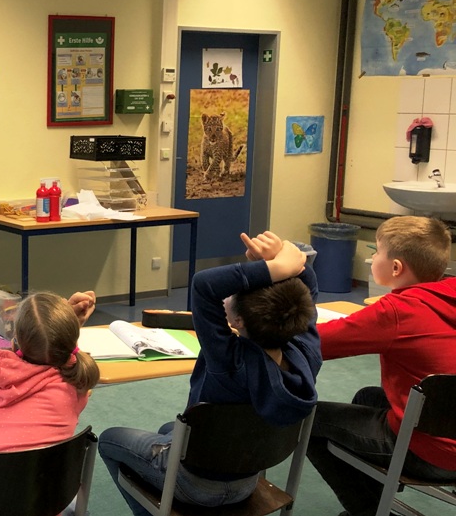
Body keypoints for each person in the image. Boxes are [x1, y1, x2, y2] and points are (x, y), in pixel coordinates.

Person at [98, 232, 321, 515]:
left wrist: (275, 267)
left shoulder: (228, 360)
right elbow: (309, 294)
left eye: (232, 295)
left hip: (197, 485)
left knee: (109, 439)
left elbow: (204, 285)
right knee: (169, 429)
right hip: (247, 479)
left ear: (238, 320)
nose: (226, 297)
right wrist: (287, 261)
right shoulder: (305, 355)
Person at [308, 215, 456, 516]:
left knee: (308, 420)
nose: (373, 257)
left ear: (396, 268)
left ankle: (368, 511)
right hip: (448, 426)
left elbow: (317, 343)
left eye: (376, 251)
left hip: (432, 453)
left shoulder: (396, 312)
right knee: (368, 397)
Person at [0, 291, 100, 454]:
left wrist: (63, 323)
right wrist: (66, 325)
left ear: (15, 341)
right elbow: (63, 353)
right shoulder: (74, 388)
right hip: (47, 471)